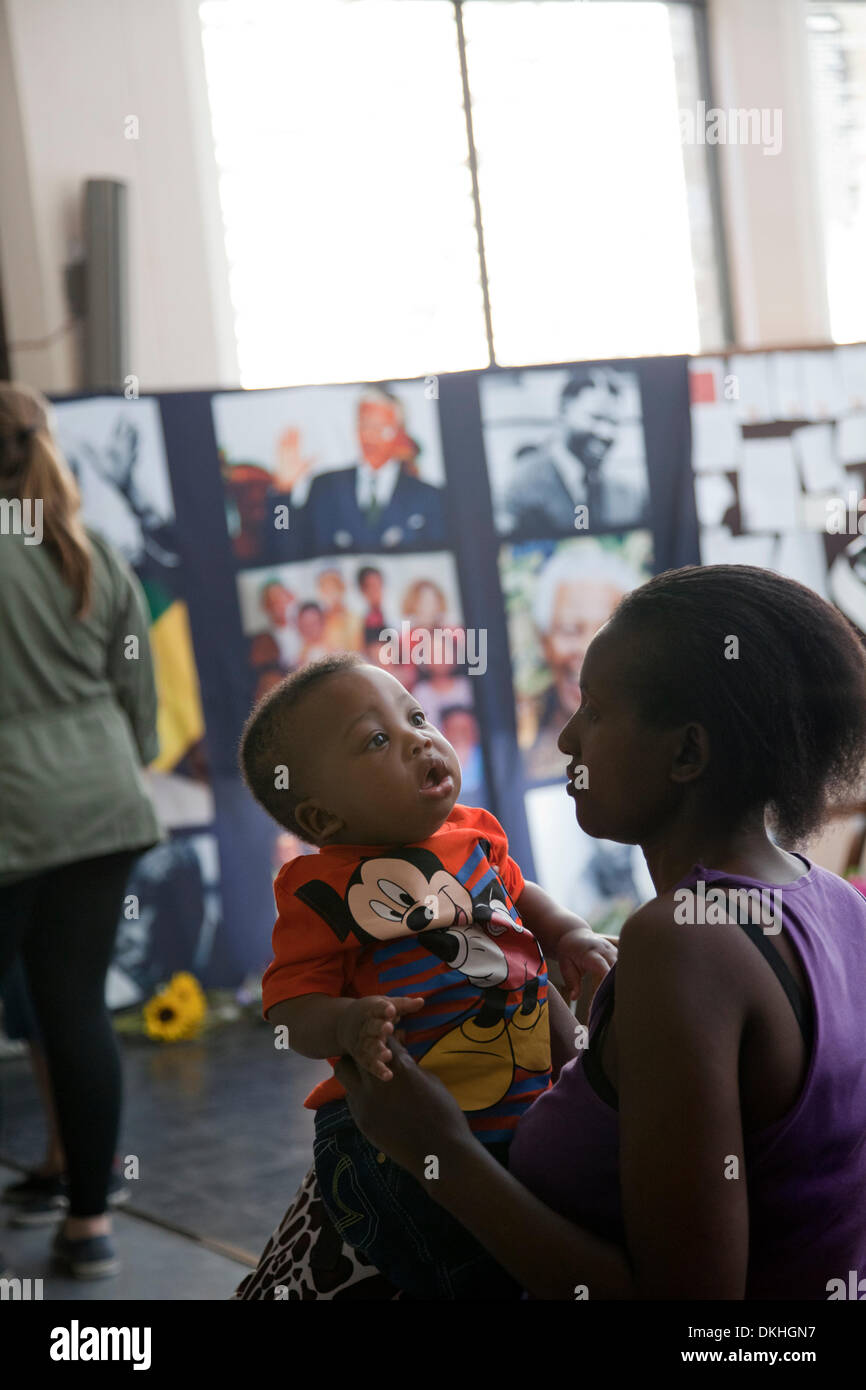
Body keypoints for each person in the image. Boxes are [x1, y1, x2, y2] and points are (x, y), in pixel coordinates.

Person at [242, 565, 866, 1300]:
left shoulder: (683, 943)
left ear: (687, 754)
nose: (568, 738)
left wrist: (438, 1152)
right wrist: (590, 1045)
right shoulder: (834, 901)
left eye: (594, 711)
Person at [237, 653, 615, 1299]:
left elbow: (519, 895)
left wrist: (567, 933)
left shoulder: (473, 836)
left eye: (415, 716)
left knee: (526, 1238)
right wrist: (346, 1022)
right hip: (393, 1140)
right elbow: (290, 1004)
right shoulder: (319, 890)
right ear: (323, 820)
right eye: (377, 739)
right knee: (457, 1268)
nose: (419, 737)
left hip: (521, 1102)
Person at [0, 381, 161, 1280]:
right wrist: (107, 763)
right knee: (75, 1014)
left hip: (13, 818)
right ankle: (90, 1223)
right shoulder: (90, 551)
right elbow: (137, 700)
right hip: (102, 811)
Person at [267, 386, 447, 557]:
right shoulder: (325, 487)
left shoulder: (429, 497)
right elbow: (283, 548)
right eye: (364, 425)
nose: (370, 436)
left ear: (401, 434)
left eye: (382, 428)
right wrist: (282, 493)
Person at [502, 367, 649, 537]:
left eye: (614, 423)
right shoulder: (522, 485)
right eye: (596, 417)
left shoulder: (628, 496)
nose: (607, 433)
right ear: (564, 410)